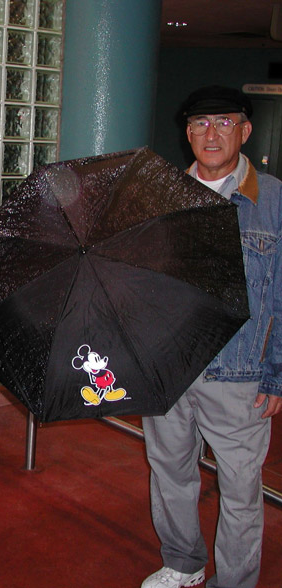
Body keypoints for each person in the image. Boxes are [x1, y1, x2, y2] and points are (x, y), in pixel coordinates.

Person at [141, 85, 282, 588]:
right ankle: (183, 562)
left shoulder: (273, 200)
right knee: (170, 473)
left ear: (244, 130)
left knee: (241, 488)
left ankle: (236, 581)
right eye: (200, 124)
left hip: (238, 373)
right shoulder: (165, 197)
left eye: (224, 122)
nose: (211, 133)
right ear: (187, 133)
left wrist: (276, 373)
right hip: (169, 367)